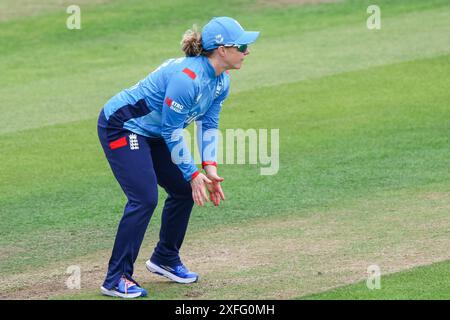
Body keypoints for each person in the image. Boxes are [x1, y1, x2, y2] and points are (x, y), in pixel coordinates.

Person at [97, 16, 260, 298]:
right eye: (242, 45)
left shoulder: (221, 81)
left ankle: (165, 258)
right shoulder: (188, 79)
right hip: (123, 125)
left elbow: (208, 123)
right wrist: (191, 172)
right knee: (144, 198)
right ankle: (116, 278)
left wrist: (208, 168)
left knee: (184, 190)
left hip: (157, 132)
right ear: (222, 49)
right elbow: (172, 129)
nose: (248, 51)